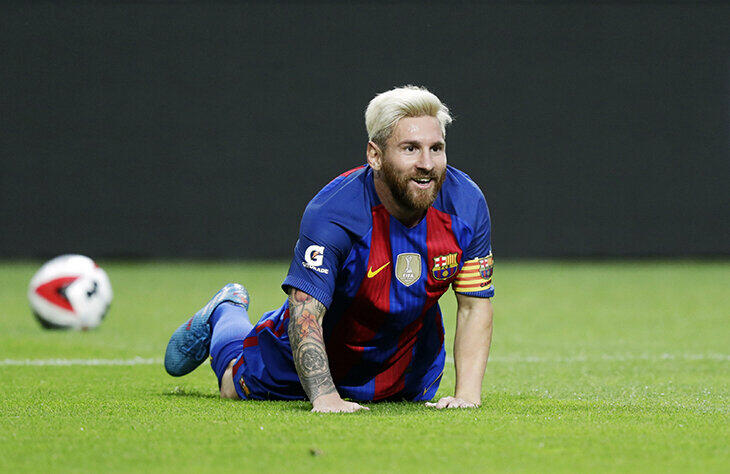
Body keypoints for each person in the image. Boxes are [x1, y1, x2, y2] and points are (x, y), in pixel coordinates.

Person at [164, 85, 495, 413]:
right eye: (410, 149)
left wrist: (467, 395)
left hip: (405, 368)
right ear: (375, 155)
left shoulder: (466, 203)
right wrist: (324, 397)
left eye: (436, 148)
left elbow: (474, 305)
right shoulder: (334, 211)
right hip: (319, 355)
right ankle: (226, 310)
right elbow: (305, 310)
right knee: (231, 387)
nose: (427, 163)